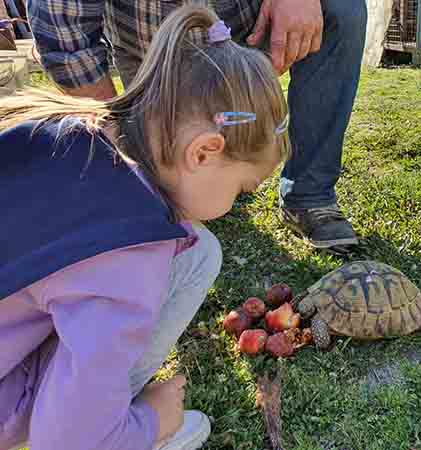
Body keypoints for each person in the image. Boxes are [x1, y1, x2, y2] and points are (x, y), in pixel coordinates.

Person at [0, 6, 289, 450]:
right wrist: (152, 419)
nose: (236, 205)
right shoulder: (128, 258)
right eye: (243, 188)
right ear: (203, 153)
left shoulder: (68, 129)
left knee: (199, 249)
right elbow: (64, 442)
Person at [27, 0, 368, 254]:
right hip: (146, 40)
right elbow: (62, 35)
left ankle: (308, 194)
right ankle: (172, 192)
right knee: (168, 189)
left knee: (343, 7)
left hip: (250, 20)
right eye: (242, 191)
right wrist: (118, 150)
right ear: (204, 152)